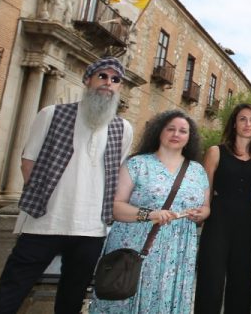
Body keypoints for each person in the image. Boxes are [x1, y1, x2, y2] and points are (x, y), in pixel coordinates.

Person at [0, 57, 134, 314]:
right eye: (102, 76)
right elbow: (27, 161)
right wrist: (43, 200)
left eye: (115, 80)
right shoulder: (52, 114)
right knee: (10, 292)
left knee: (72, 299)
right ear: (88, 80)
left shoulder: (123, 128)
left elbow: (115, 175)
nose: (108, 83)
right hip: (44, 223)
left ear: (119, 88)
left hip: (90, 230)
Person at [90, 110, 210, 313]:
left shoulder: (197, 170)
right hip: (136, 247)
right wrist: (150, 214)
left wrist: (201, 214)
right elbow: (116, 206)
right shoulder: (137, 164)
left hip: (178, 250)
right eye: (170, 129)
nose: (176, 134)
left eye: (183, 131)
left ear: (189, 138)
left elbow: (206, 207)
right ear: (159, 132)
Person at [196, 103, 251, 314]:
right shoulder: (215, 152)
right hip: (217, 223)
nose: (248, 124)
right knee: (210, 282)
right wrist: (201, 215)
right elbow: (205, 192)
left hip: (247, 227)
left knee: (241, 285)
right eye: (243, 119)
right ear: (234, 124)